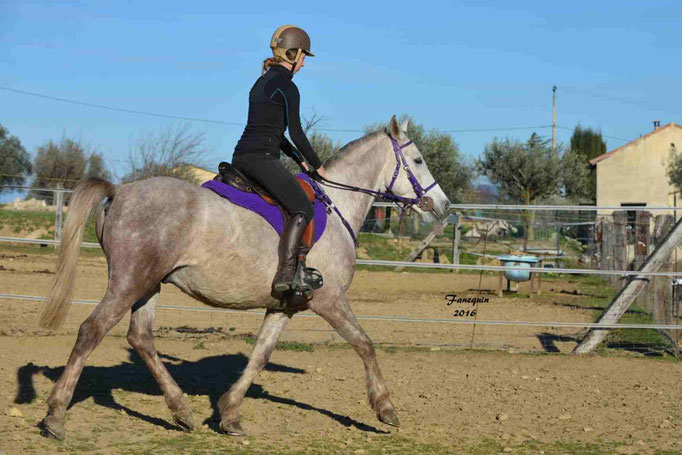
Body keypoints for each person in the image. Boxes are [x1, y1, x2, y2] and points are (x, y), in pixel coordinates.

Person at [231, 25, 326, 301]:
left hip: (241, 157)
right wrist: (318, 165)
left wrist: (300, 161)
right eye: (303, 56)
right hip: (262, 159)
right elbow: (296, 133)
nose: (304, 62)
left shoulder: (260, 82)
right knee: (303, 207)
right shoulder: (288, 87)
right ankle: (287, 272)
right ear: (293, 54)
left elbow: (277, 134)